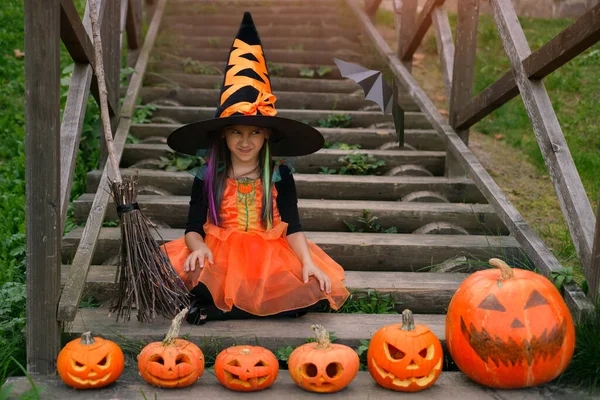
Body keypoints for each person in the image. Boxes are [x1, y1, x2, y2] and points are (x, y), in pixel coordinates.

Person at [162, 12, 350, 324]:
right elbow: (193, 228)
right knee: (196, 278)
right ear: (224, 133)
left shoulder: (280, 175)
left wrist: (306, 262)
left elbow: (294, 225)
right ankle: (219, 303)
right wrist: (197, 249)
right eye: (237, 131)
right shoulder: (207, 176)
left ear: (267, 135)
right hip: (219, 252)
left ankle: (221, 309)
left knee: (306, 288)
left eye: (254, 132)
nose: (245, 141)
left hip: (269, 252)